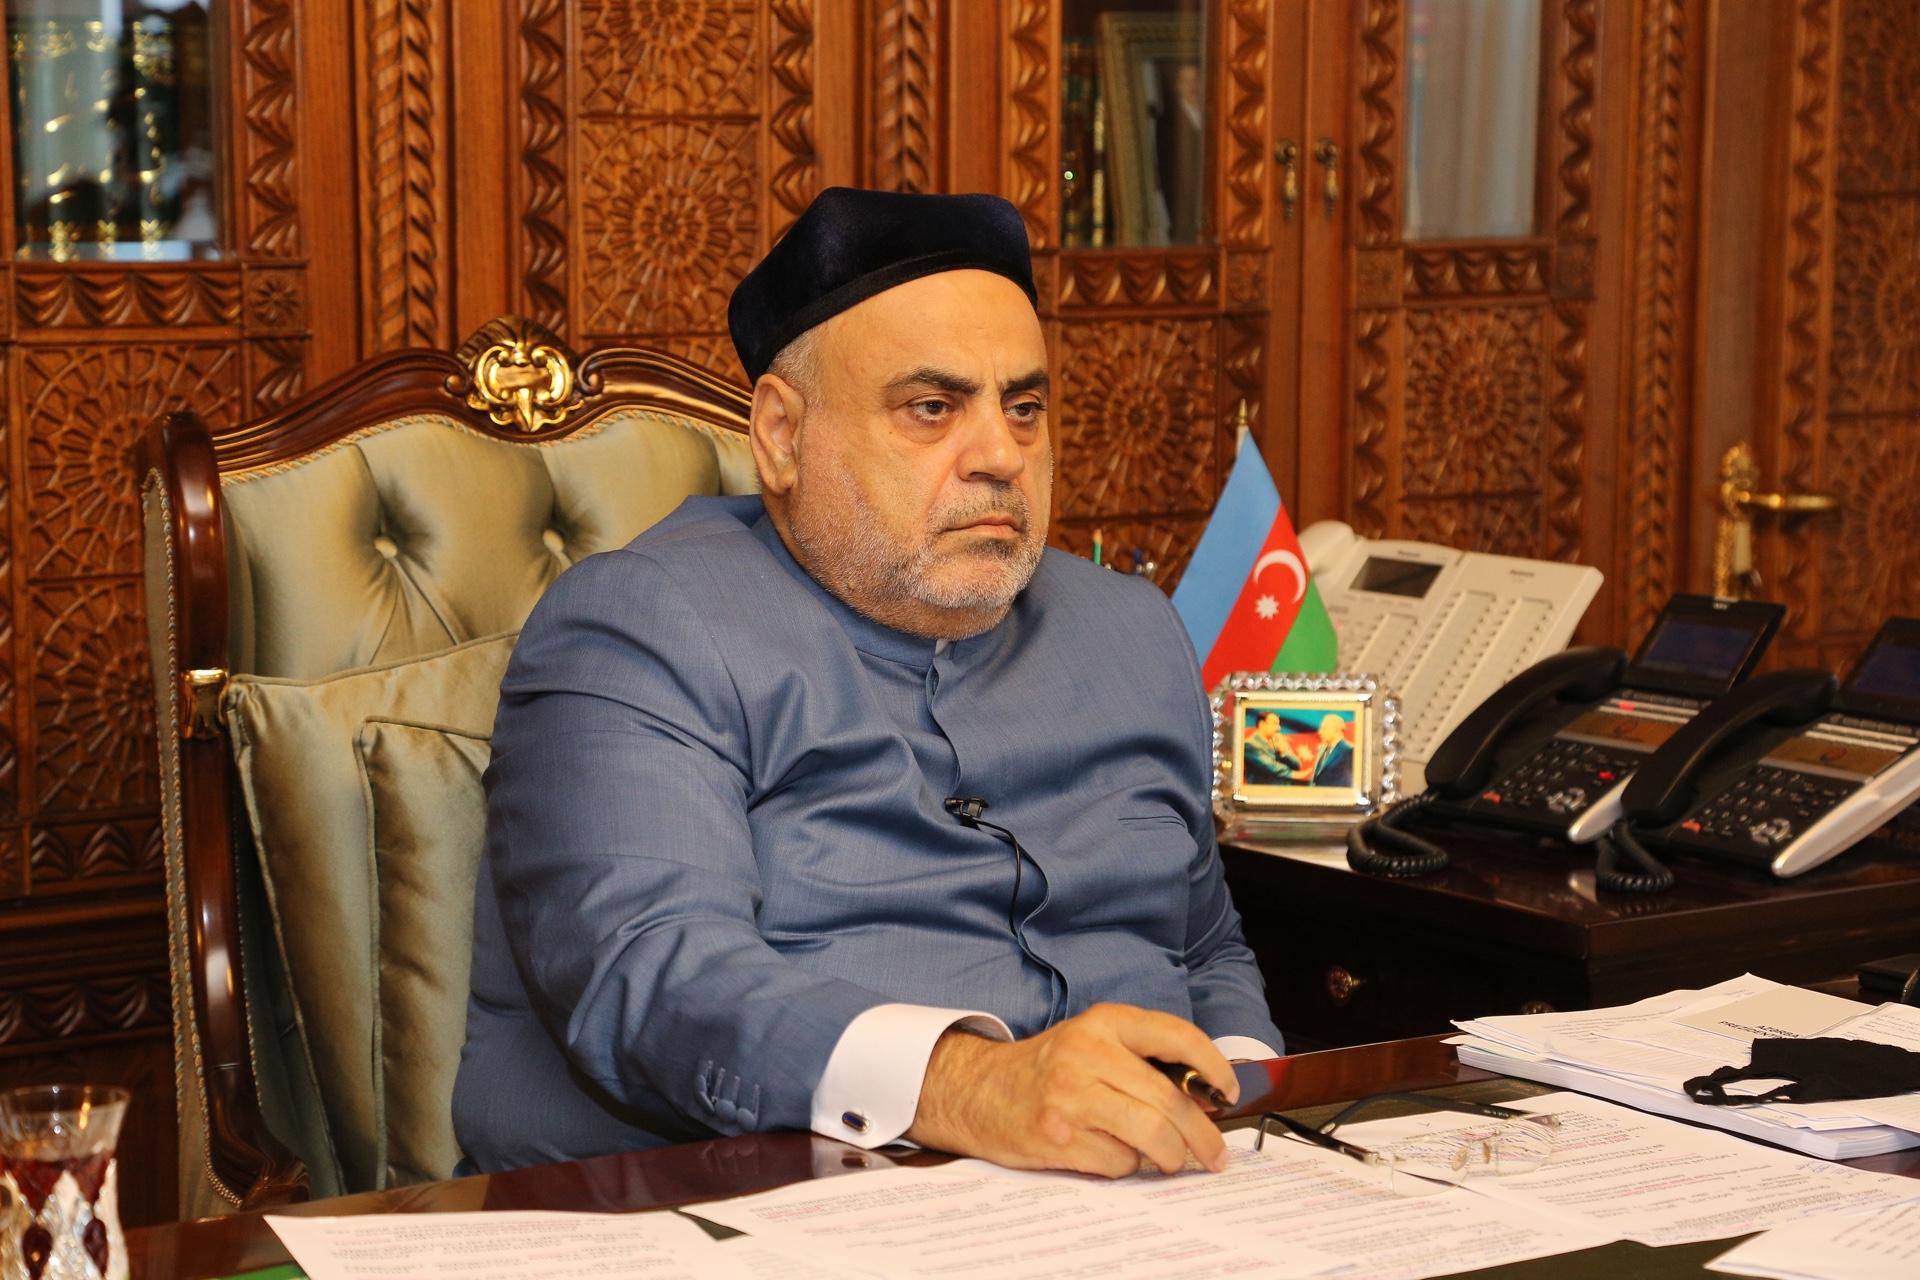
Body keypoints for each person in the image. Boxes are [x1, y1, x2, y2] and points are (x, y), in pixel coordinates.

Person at [454, 188, 1283, 1182]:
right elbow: (656, 974)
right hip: (735, 1210)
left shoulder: (1131, 629)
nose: (1000, 456)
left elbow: (1206, 950)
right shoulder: (640, 627)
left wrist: (1245, 1111)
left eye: (1024, 408)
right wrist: (974, 1086)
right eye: (932, 409)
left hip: (1145, 1211)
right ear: (781, 434)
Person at [1243, 712, 1303, 784]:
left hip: (1285, 788)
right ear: (1262, 724)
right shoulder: (1250, 744)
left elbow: (1297, 765)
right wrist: (1297, 774)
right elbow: (1272, 767)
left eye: (1279, 724)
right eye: (1275, 724)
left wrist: (1284, 752)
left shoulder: (1279, 740)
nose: (1279, 728)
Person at [1310, 715, 1355, 788]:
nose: (1319, 732)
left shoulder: (1349, 750)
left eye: (1324, 728)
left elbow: (1347, 783)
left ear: (1335, 730)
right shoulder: (1322, 748)